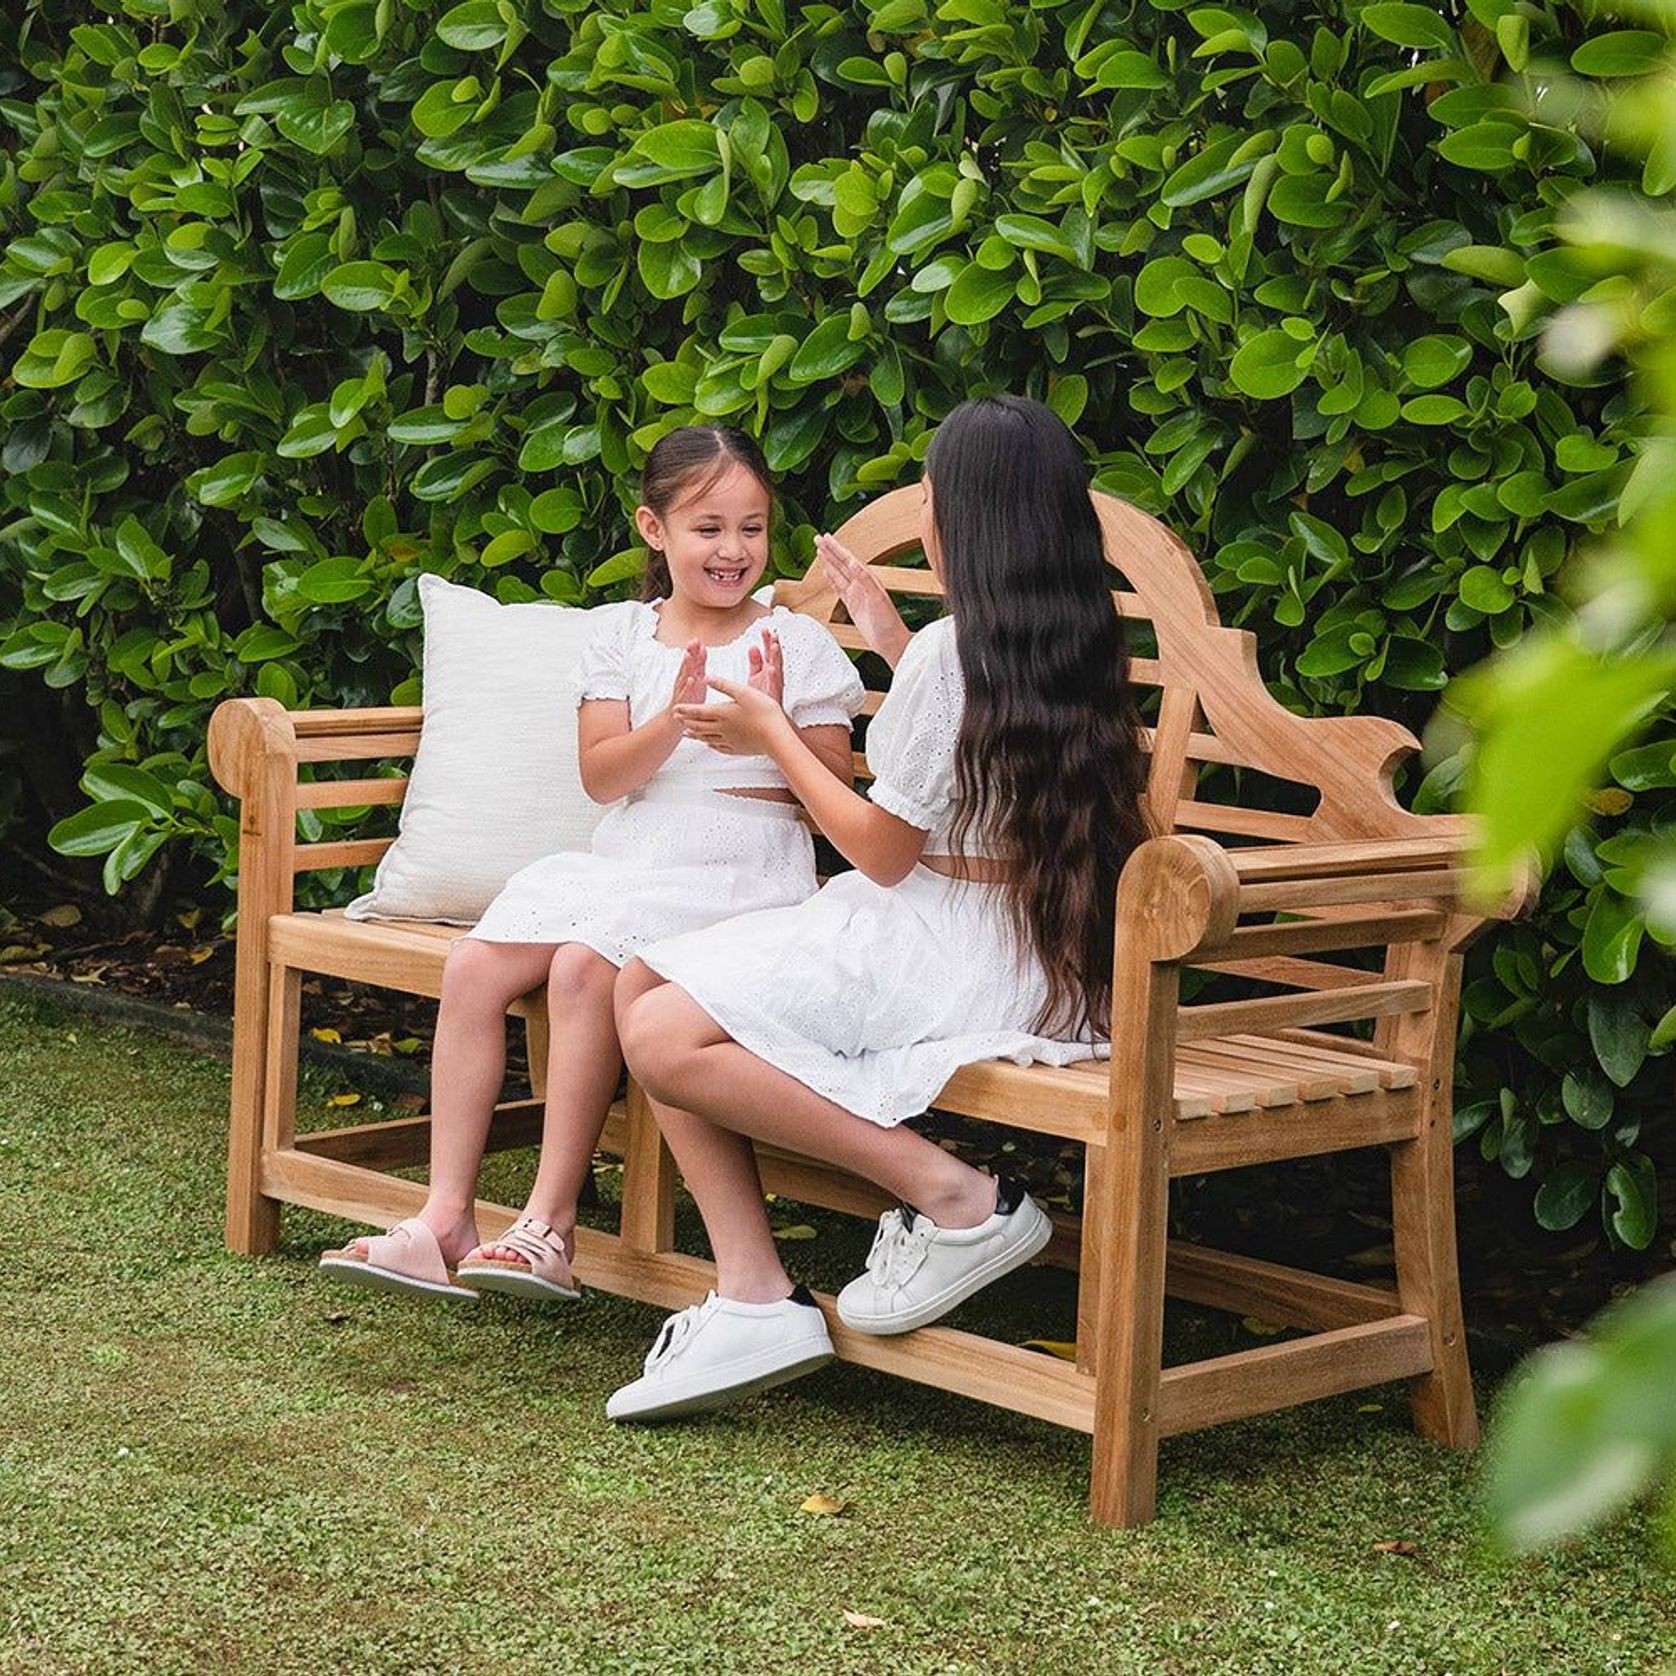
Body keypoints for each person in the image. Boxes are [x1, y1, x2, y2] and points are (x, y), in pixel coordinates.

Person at [607, 394, 1152, 1420]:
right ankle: (752, 1288)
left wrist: (770, 729)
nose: (929, 516)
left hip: (936, 932)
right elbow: (983, 742)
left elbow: (880, 851)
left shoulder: (958, 655)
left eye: (934, 500)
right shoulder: (1064, 633)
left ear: (970, 521)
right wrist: (892, 636)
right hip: (1018, 940)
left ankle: (955, 1198)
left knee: (664, 1036)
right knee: (645, 972)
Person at [319, 425, 865, 1301]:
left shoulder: (795, 646)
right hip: (633, 850)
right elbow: (603, 775)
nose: (732, 550)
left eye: (752, 528)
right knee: (472, 968)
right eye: (708, 528)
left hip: (742, 869)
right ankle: (445, 1216)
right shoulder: (621, 635)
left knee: (582, 968)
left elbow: (831, 796)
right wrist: (673, 720)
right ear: (655, 531)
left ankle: (548, 1223)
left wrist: (772, 725)